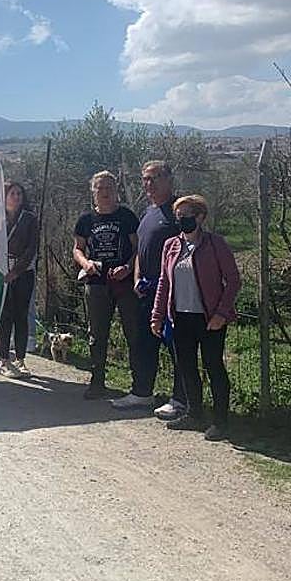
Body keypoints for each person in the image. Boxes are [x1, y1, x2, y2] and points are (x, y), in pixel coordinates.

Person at [151, 195, 241, 441]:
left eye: (187, 214)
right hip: (180, 317)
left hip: (210, 318)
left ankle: (220, 421)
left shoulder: (215, 244)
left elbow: (233, 281)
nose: (182, 219)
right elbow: (164, 282)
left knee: (213, 366)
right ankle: (194, 413)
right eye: (178, 215)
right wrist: (157, 316)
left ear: (200, 217)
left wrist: (222, 313)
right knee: (186, 366)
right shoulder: (171, 245)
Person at [115, 160, 186, 415]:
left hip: (171, 293)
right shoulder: (148, 212)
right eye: (145, 179)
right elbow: (139, 251)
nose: (149, 184)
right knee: (144, 343)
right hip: (145, 291)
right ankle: (142, 393)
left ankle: (181, 400)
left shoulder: (178, 212)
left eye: (154, 178)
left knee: (177, 346)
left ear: (168, 179)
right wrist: (136, 278)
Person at [73, 171, 140, 400]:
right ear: (93, 192)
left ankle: (138, 385)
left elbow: (138, 248)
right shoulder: (85, 220)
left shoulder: (127, 217)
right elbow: (78, 248)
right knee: (97, 333)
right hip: (97, 283)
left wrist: (129, 268)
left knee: (133, 332)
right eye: (100, 187)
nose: (105, 192)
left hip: (125, 283)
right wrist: (85, 264)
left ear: (116, 190)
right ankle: (97, 381)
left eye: (109, 187)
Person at [0, 182, 39, 379]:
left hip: (23, 272)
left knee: (21, 316)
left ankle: (20, 359)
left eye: (19, 193)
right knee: (5, 317)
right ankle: (4, 359)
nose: (16, 197)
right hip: (2, 270)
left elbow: (32, 248)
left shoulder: (30, 219)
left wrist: (16, 271)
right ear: (4, 196)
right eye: (12, 193)